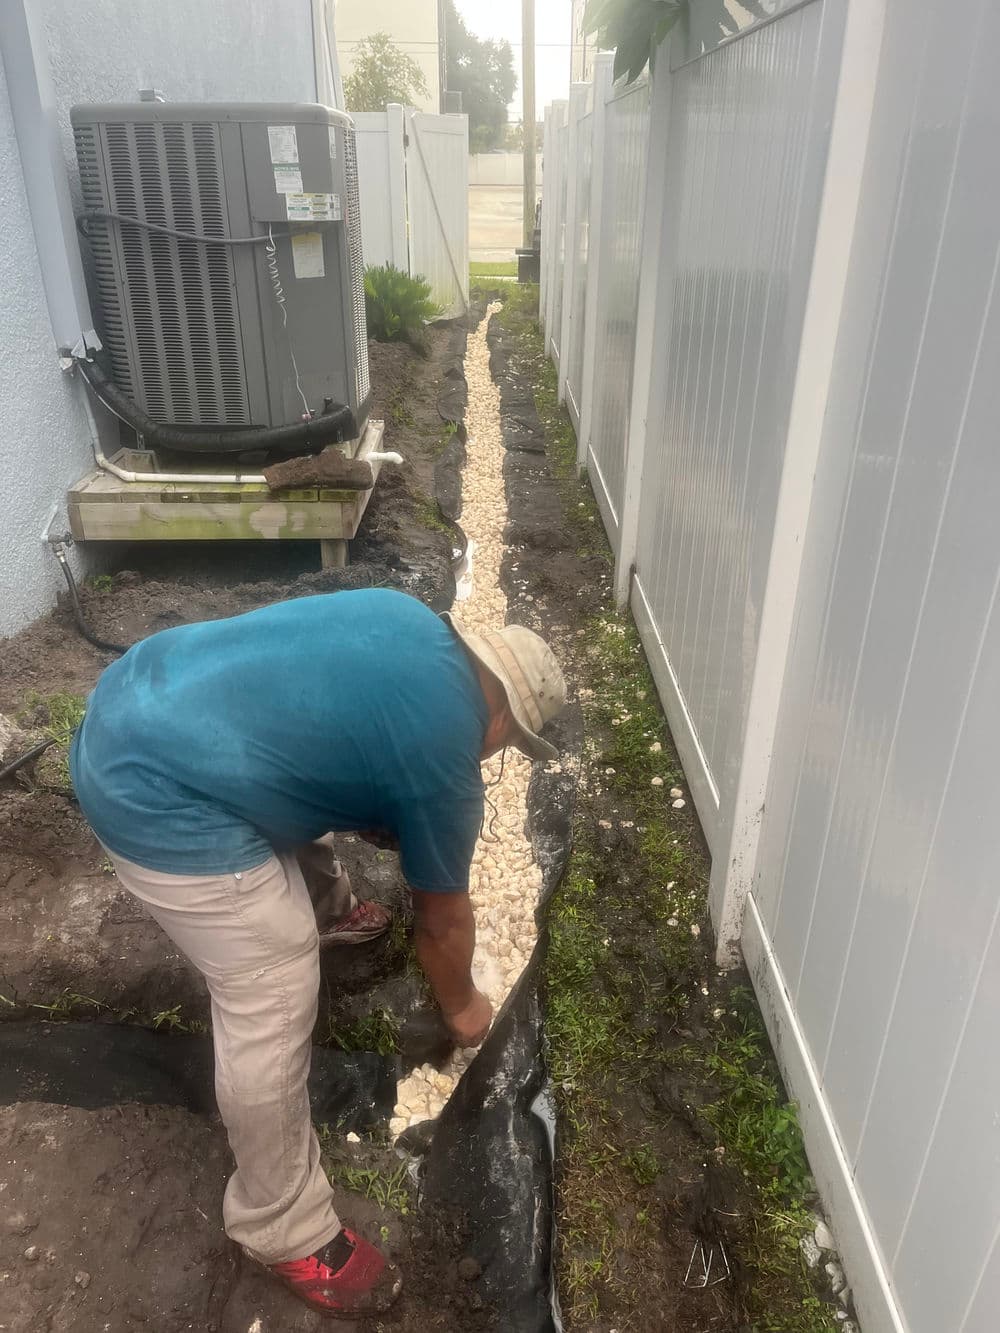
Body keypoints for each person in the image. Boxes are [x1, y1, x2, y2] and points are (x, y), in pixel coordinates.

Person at [70, 587, 565, 1319]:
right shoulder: (445, 759)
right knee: (273, 969)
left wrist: (383, 808)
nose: (494, 752)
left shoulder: (407, 620)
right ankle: (281, 1224)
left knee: (282, 766)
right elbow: (441, 921)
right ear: (502, 718)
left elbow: (315, 725)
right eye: (507, 744)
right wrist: (464, 1007)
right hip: (150, 792)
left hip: (140, 695)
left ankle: (331, 908)